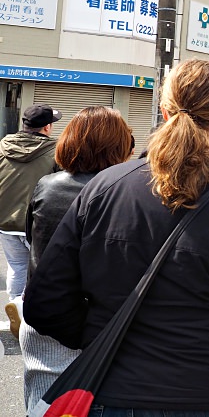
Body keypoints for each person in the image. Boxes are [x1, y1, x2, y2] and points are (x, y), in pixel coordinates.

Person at [23, 59, 209, 417]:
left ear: (164, 109)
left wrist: (99, 336)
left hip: (112, 391)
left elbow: (45, 302)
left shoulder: (104, 188)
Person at [20, 106, 132, 411]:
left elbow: (34, 241)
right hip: (98, 329)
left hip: (42, 324)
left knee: (42, 406)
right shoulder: (125, 194)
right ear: (121, 145)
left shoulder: (48, 185)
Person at [0, 103, 60, 336]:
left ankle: (15, 305)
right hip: (36, 221)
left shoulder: (3, 145)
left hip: (4, 221)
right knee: (39, 271)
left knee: (17, 267)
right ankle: (29, 317)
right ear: (46, 127)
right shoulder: (54, 151)